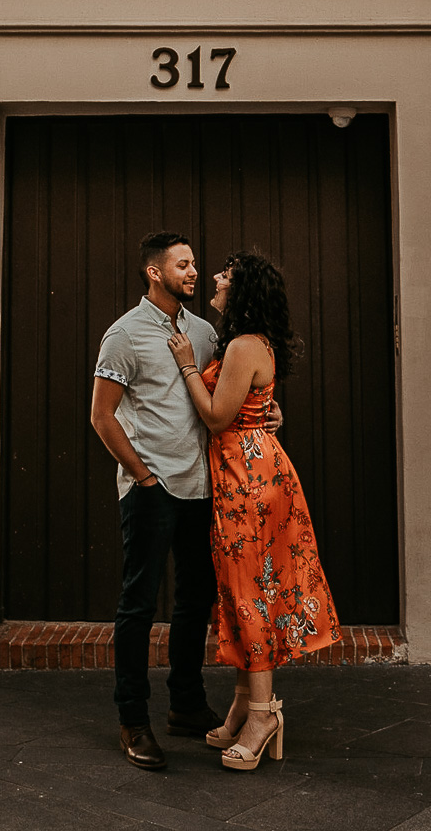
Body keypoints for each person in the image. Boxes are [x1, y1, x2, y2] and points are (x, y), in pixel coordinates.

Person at [90, 232, 281, 771]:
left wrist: (270, 413)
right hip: (153, 490)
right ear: (154, 272)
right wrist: (141, 475)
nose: (194, 272)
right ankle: (133, 720)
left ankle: (187, 705)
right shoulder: (124, 335)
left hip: (205, 489)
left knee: (195, 603)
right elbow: (101, 416)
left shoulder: (203, 333)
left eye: (196, 264)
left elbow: (234, 396)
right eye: (183, 265)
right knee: (139, 604)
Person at [167, 251, 339, 772]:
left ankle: (263, 715)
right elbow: (252, 405)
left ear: (241, 292)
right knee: (245, 588)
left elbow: (219, 417)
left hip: (248, 479)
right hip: (250, 471)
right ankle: (246, 701)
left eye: (226, 275)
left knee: (251, 593)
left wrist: (187, 366)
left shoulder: (242, 345)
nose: (215, 279)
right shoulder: (247, 343)